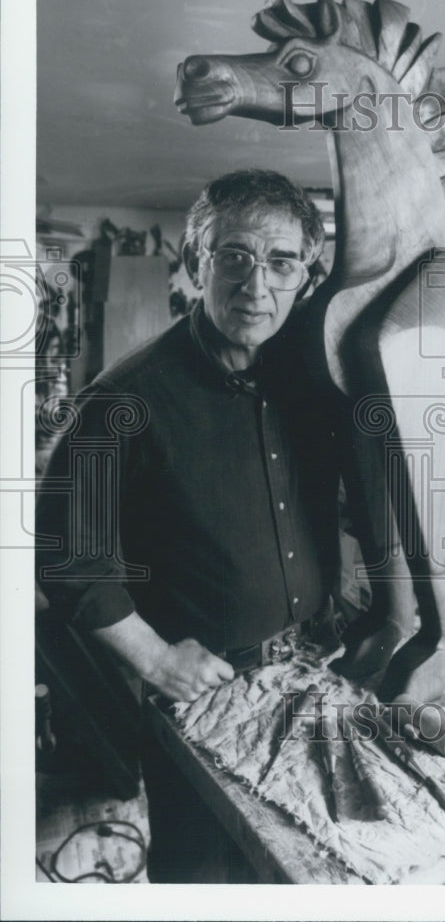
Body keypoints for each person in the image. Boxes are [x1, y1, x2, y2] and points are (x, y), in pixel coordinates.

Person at [35, 169, 344, 882]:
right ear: (194, 262)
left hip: (311, 677)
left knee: (295, 867)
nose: (255, 284)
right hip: (203, 700)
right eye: (233, 257)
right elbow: (67, 556)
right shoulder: (123, 399)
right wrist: (154, 658)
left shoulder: (305, 377)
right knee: (205, 875)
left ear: (304, 274)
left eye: (280, 261)